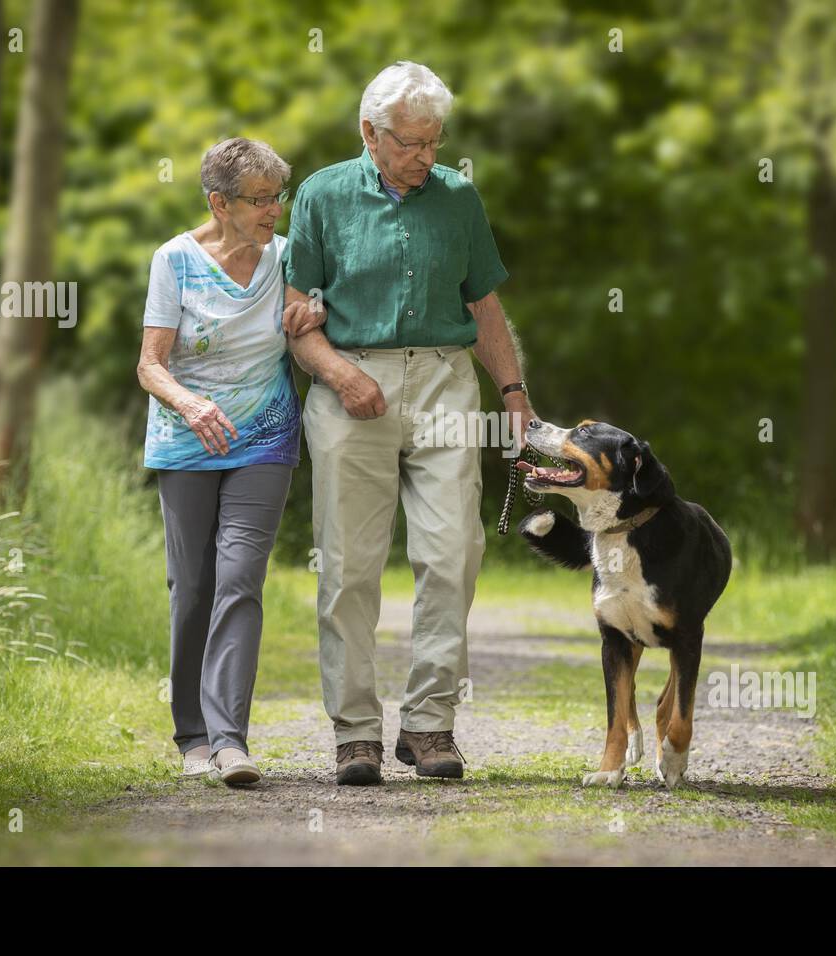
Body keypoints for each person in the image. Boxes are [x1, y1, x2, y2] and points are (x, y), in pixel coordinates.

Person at [282, 62, 536, 785]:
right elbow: (298, 319)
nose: (427, 157)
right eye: (411, 143)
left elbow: (483, 306)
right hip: (349, 383)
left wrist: (513, 391)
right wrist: (338, 373)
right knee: (348, 566)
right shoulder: (322, 195)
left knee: (453, 551)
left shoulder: (458, 197)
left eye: (435, 142)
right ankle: (356, 732)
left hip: (445, 384)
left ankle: (429, 726)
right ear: (370, 133)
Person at [136, 138, 322, 787]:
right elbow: (149, 363)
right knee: (192, 590)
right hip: (187, 439)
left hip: (265, 435)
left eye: (279, 196)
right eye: (260, 198)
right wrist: (191, 405)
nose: (275, 209)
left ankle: (228, 740)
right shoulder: (175, 261)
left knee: (239, 577)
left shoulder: (288, 256)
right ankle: (189, 733)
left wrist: (316, 313)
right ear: (220, 203)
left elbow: (313, 314)